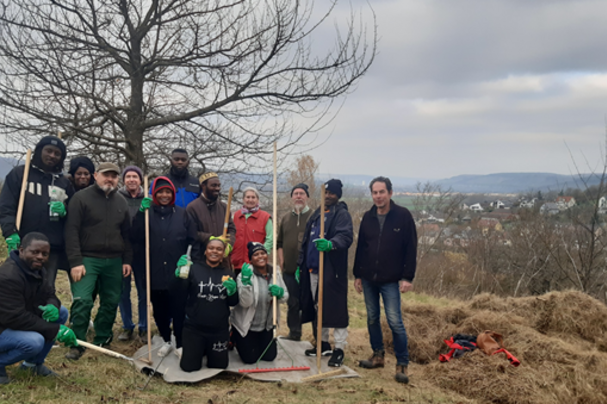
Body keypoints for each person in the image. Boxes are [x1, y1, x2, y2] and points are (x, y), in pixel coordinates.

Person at [64, 162, 133, 360]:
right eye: (105, 175)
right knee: (83, 300)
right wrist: (75, 261)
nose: (109, 179)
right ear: (96, 175)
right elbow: (71, 231)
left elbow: (126, 235)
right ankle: (76, 342)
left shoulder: (121, 202)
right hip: (87, 259)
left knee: (110, 302)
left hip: (114, 261)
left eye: (113, 176)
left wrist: (127, 260)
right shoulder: (81, 198)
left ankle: (102, 339)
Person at [353, 176, 417, 384]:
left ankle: (402, 363)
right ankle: (378, 355)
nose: (378, 196)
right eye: (375, 192)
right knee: (372, 317)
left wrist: (407, 277)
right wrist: (357, 274)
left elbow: (411, 248)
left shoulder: (403, 216)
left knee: (395, 321)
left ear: (390, 193)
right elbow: (361, 247)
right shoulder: (367, 217)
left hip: (391, 279)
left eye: (382, 192)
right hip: (369, 278)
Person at [132, 176, 197, 357]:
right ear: (154, 194)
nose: (164, 195)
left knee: (179, 308)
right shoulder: (146, 213)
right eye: (160, 192)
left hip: (178, 272)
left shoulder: (182, 214)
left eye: (168, 192)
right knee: (160, 310)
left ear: (173, 194)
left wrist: (188, 258)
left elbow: (193, 239)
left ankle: (180, 342)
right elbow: (135, 236)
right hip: (154, 270)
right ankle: (166, 339)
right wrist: (139, 213)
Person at [0, 232, 77, 385]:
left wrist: (52, 306)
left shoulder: (38, 268)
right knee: (34, 342)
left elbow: (50, 294)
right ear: (21, 250)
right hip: (4, 325)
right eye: (35, 252)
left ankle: (32, 365)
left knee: (61, 313)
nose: (40, 257)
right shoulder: (8, 276)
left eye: (44, 254)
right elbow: (15, 317)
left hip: (16, 320)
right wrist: (54, 330)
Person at [0, 136, 75, 287]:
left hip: (50, 248)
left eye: (57, 153)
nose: (52, 156)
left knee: (45, 288)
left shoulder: (64, 182)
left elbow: (74, 213)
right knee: (16, 286)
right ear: (40, 151)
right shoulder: (20, 174)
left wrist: (65, 211)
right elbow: (6, 206)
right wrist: (10, 232)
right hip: (24, 243)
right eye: (48, 151)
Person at [298, 179, 353, 367]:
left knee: (336, 310)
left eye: (332, 193)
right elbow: (305, 241)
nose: (328, 196)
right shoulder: (317, 214)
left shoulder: (341, 214)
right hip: (313, 270)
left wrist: (332, 244)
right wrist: (301, 265)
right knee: (317, 308)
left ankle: (339, 349)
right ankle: (322, 344)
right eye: (326, 193)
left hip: (332, 271)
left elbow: (345, 236)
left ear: (338, 195)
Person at [175, 237, 238, 372]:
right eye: (211, 248)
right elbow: (179, 295)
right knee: (188, 367)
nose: (214, 251)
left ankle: (207, 350)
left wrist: (232, 292)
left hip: (218, 330)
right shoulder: (193, 269)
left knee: (219, 366)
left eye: (219, 249)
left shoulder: (228, 274)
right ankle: (199, 349)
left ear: (223, 253)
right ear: (205, 251)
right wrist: (178, 277)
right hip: (194, 329)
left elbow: (233, 302)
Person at [231, 242, 288, 364]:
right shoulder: (244, 275)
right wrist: (246, 284)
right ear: (251, 259)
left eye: (263, 253)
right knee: (250, 359)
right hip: (248, 326)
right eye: (256, 254)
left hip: (266, 326)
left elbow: (285, 297)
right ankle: (234, 337)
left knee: (269, 357)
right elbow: (245, 303)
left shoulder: (275, 273)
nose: (260, 256)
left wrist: (280, 293)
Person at [276, 183, 313, 341]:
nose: (298, 196)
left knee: (311, 304)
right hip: (289, 270)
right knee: (292, 303)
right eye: (295, 194)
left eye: (302, 194)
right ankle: (294, 333)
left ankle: (318, 339)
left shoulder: (314, 216)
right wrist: (281, 261)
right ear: (292, 197)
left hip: (309, 271)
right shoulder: (285, 218)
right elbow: (279, 243)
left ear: (307, 197)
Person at [117, 166, 147, 342]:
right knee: (123, 291)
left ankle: (144, 327)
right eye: (128, 177)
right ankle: (127, 326)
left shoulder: (147, 199)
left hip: (143, 251)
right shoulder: (117, 198)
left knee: (143, 292)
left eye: (135, 176)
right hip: (122, 250)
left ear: (140, 180)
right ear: (124, 180)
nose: (131, 180)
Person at [186, 172, 236, 262]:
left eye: (218, 185)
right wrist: (210, 238)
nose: (217, 188)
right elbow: (191, 232)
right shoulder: (192, 208)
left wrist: (229, 245)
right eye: (213, 185)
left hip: (223, 260)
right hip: (202, 259)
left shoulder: (224, 207)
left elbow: (231, 229)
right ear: (203, 186)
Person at [231, 187, 272, 274]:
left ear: (257, 200)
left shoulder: (265, 217)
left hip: (256, 265)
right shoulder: (236, 216)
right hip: (236, 264)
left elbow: (270, 239)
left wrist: (261, 256)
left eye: (253, 197)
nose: (250, 200)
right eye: (248, 197)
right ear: (243, 199)